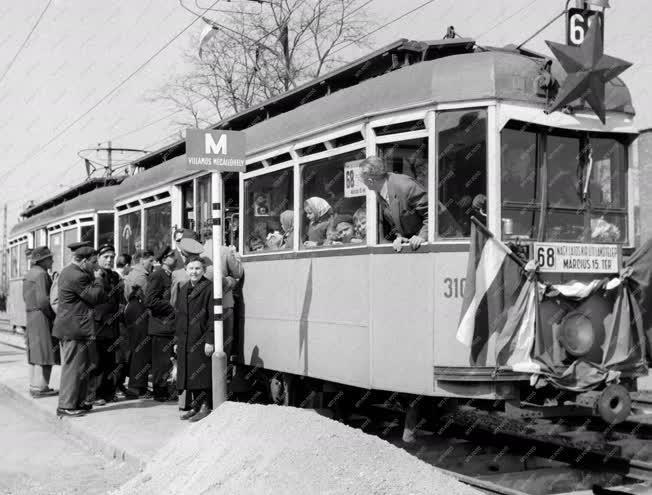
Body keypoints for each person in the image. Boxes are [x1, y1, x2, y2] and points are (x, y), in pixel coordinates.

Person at [52, 242, 104, 417]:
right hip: (73, 329)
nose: (96, 265)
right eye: (94, 262)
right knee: (73, 368)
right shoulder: (77, 276)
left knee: (81, 367)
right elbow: (94, 297)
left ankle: (77, 402)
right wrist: (98, 279)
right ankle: (66, 405)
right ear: (84, 261)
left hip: (76, 328)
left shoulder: (72, 272)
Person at [174, 257, 214, 422]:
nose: (194, 272)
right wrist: (177, 341)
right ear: (186, 270)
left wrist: (210, 340)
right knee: (190, 374)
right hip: (185, 338)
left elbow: (213, 317)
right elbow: (179, 316)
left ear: (203, 270)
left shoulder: (209, 288)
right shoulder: (183, 288)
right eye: (191, 268)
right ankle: (195, 406)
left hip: (200, 337)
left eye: (198, 268)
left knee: (201, 374)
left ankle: (205, 406)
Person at [360, 156, 427, 252]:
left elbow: (432, 214)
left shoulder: (405, 186)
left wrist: (422, 236)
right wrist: (401, 237)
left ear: (370, 181)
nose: (362, 182)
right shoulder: (380, 191)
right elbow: (398, 220)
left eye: (362, 180)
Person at [86, 244, 123, 406]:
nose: (109, 260)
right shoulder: (92, 275)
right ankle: (93, 394)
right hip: (97, 324)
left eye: (112, 257)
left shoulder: (114, 276)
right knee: (96, 362)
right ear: (98, 258)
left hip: (112, 324)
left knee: (110, 360)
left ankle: (107, 392)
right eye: (106, 257)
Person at [23, 246, 59, 398]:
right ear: (43, 261)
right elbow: (44, 300)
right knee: (46, 351)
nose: (52, 260)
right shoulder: (42, 275)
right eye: (50, 258)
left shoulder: (30, 274)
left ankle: (34, 385)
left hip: (32, 315)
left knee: (35, 351)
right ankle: (42, 387)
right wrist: (53, 316)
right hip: (42, 317)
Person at [145, 246, 177, 402]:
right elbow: (150, 300)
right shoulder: (157, 275)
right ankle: (159, 392)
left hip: (169, 326)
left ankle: (166, 389)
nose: (176, 258)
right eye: (172, 255)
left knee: (167, 362)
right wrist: (172, 306)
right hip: (160, 326)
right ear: (164, 259)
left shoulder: (171, 275)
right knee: (161, 363)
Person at [123, 250, 155, 399]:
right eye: (150, 261)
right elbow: (147, 297)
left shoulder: (132, 272)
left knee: (137, 348)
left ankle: (135, 385)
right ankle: (137, 387)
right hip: (139, 310)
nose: (152, 264)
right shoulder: (141, 275)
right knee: (141, 349)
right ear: (142, 260)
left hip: (132, 309)